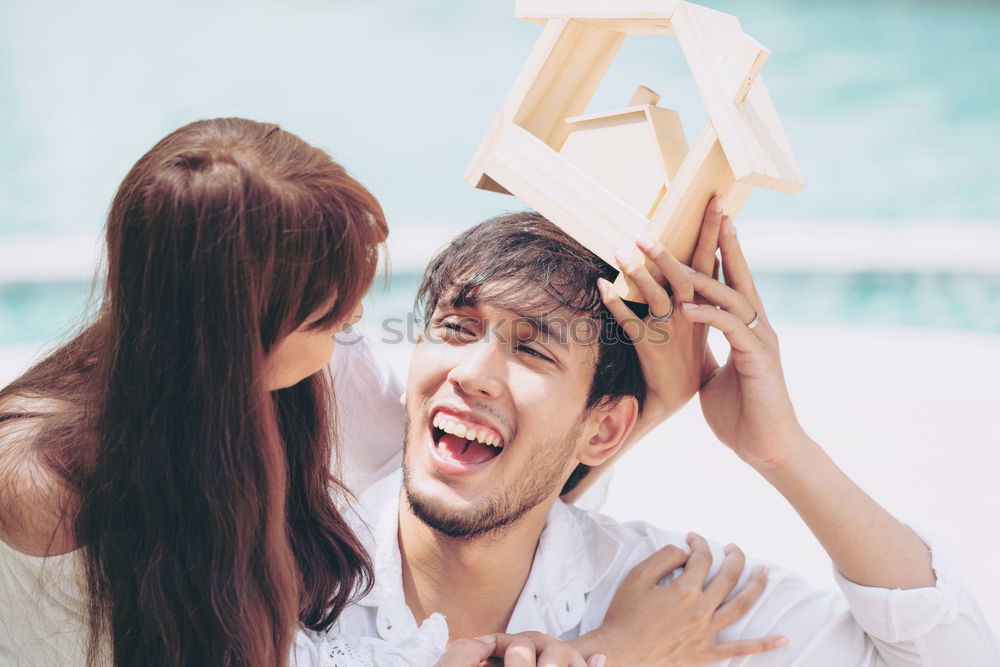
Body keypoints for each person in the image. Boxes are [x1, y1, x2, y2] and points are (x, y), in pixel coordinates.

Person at [0, 118, 766, 667]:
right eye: (331, 311)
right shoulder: (45, 494)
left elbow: (489, 484)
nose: (359, 322)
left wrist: (655, 398)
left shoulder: (314, 377)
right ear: (240, 340)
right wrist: (614, 651)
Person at [323, 209, 1000, 665]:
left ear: (606, 427)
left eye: (534, 352)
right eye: (456, 328)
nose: (472, 373)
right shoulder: (274, 568)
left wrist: (783, 449)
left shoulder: (671, 603)